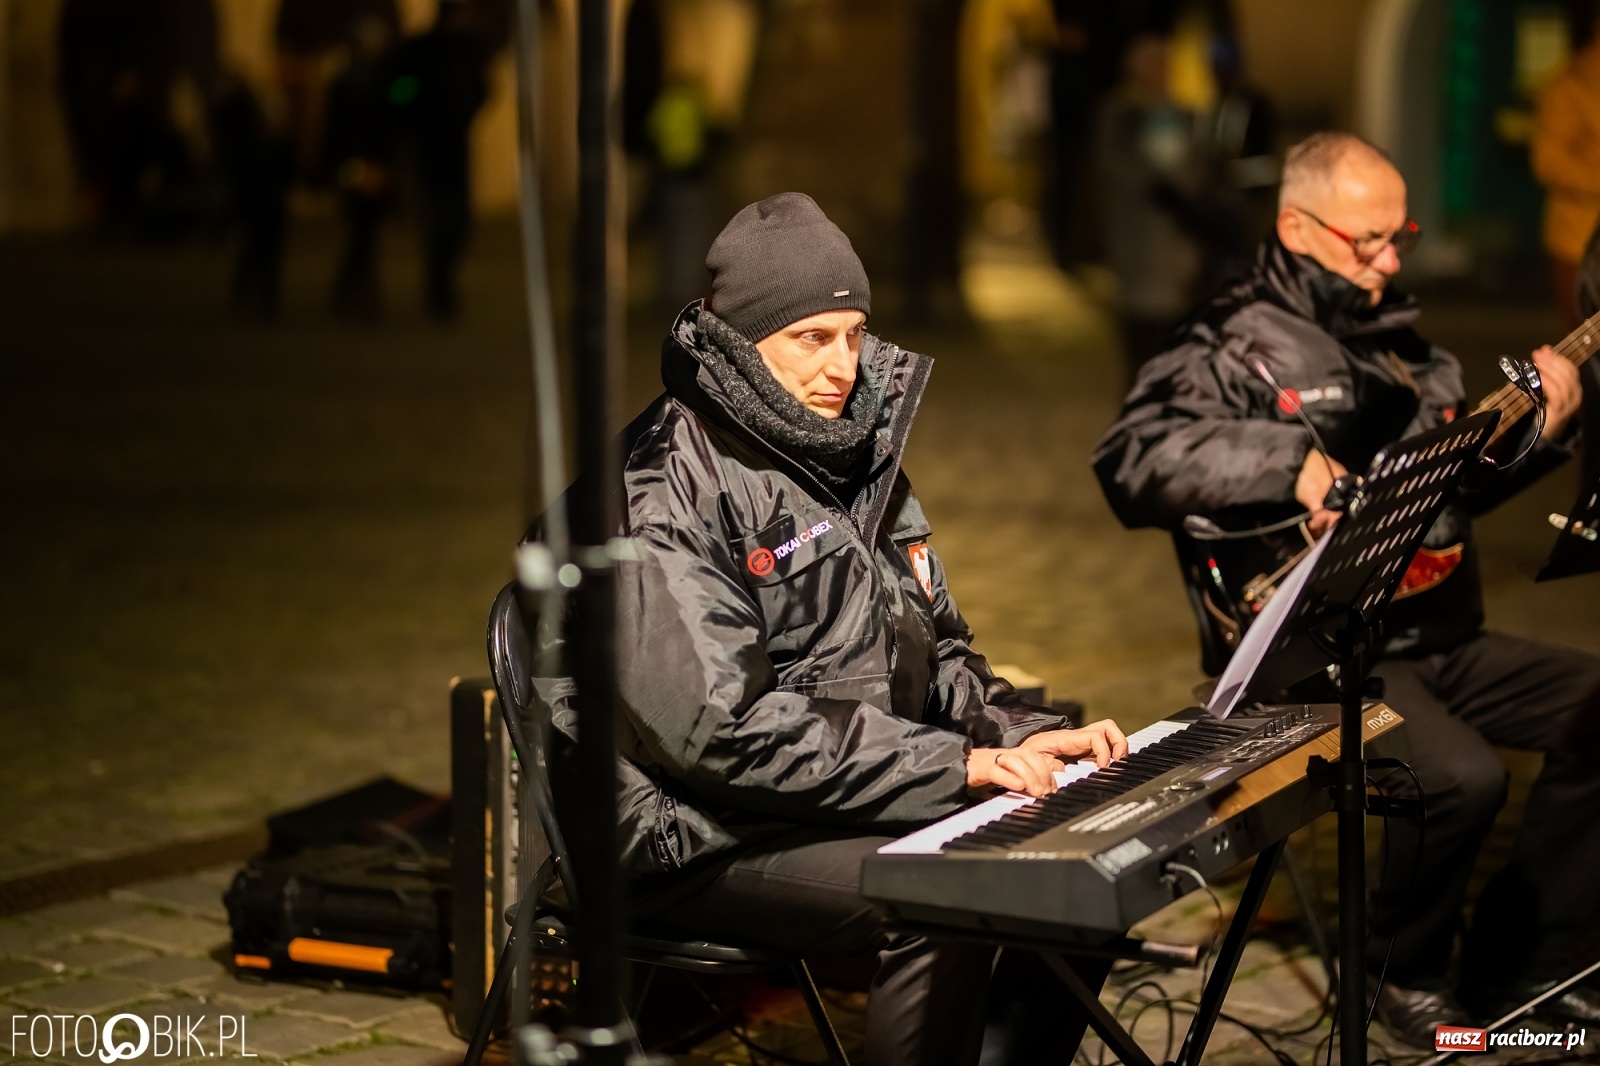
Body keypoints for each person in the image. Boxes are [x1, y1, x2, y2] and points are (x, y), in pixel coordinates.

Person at [527, 193, 1129, 1065]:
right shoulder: (658, 491)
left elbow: (939, 649)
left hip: (806, 799)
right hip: (684, 831)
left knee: (1072, 854)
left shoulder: (846, 451)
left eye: (853, 334)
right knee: (946, 892)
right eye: (812, 338)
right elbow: (718, 731)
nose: (842, 365)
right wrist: (956, 767)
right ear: (742, 339)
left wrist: (1030, 737)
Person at [1091, 132, 1600, 1047]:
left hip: (1438, 632)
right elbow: (1131, 459)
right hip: (1319, 650)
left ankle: (1529, 961)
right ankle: (1396, 973)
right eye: (1367, 241)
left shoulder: (1401, 341)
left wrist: (1543, 433)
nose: (1391, 259)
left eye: (1397, 236)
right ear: (1296, 225)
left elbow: (1454, 494)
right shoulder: (1227, 343)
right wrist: (1286, 461)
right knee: (1461, 778)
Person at [394, 0, 488, 320]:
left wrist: (466, 112)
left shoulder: (466, 50)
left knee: (458, 221)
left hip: (455, 144)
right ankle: (438, 287)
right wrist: (414, 116)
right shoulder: (421, 49)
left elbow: (481, 88)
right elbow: (400, 88)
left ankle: (442, 281)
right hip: (427, 145)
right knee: (436, 218)